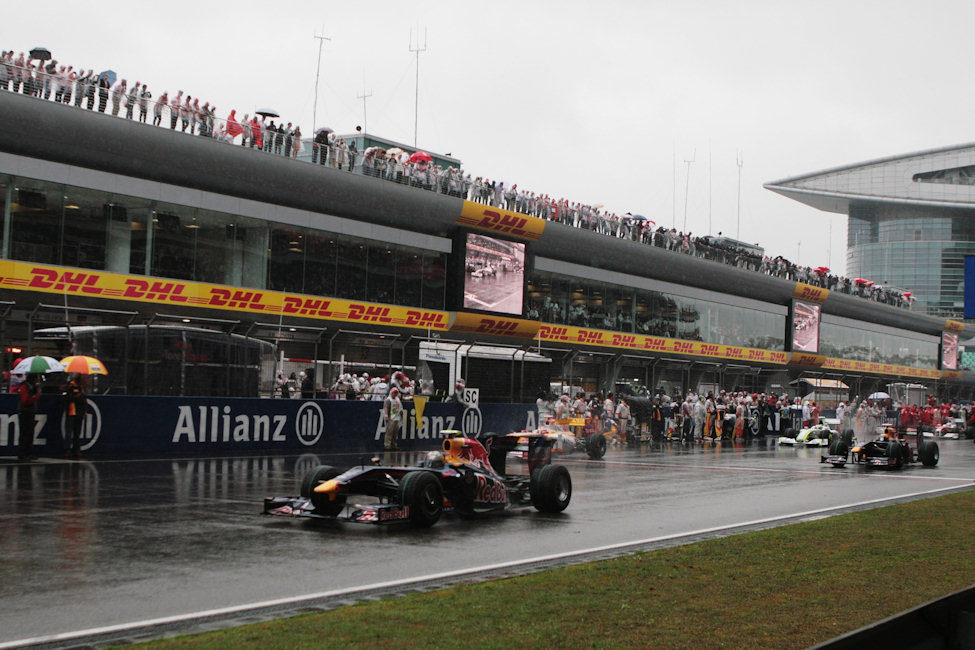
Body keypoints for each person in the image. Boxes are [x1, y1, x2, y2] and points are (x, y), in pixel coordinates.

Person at [17, 373, 41, 461]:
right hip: (24, 412)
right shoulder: (24, 386)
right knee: (24, 433)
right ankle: (22, 453)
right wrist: (36, 396)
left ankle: (28, 452)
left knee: (30, 433)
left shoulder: (32, 386)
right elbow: (26, 400)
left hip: (30, 412)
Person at [63, 374, 87, 459]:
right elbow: (67, 399)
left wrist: (84, 412)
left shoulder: (82, 388)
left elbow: (84, 401)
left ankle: (76, 450)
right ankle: (67, 450)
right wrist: (75, 395)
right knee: (69, 433)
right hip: (72, 412)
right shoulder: (70, 386)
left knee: (77, 434)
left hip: (79, 413)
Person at [383, 386, 402, 451]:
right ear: (391, 393)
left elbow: (400, 407)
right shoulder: (388, 400)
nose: (395, 394)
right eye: (394, 393)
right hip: (391, 418)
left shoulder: (397, 399)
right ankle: (387, 445)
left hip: (397, 418)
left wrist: (401, 412)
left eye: (396, 393)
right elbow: (386, 408)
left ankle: (394, 445)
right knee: (389, 432)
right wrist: (386, 416)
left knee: (395, 433)